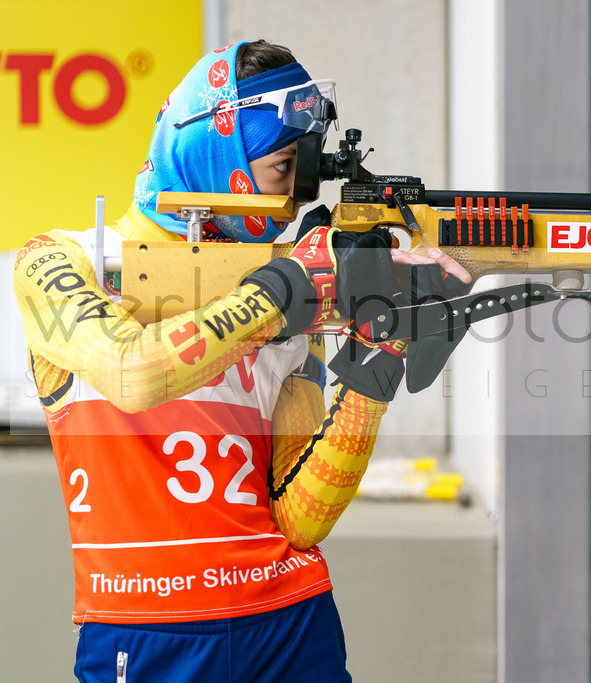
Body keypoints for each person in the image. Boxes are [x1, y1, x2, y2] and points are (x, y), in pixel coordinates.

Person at [13, 40, 469, 682]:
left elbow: (300, 518)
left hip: (290, 620)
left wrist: (379, 357)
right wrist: (284, 289)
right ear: (217, 151)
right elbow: (132, 372)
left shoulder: (284, 290)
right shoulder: (60, 259)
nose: (293, 200)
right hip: (145, 634)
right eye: (286, 166)